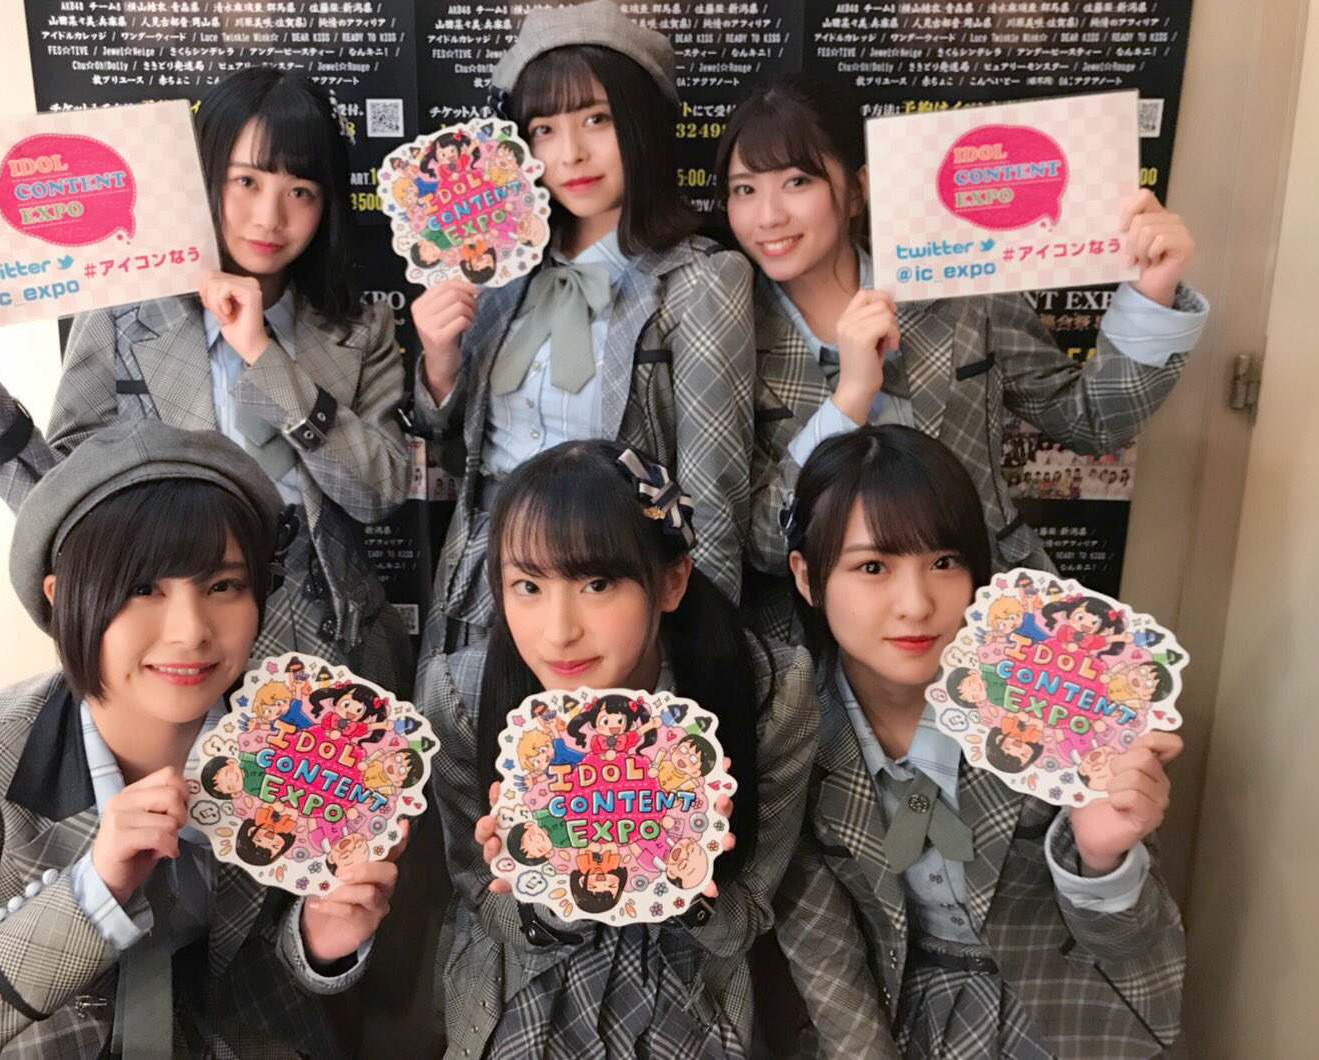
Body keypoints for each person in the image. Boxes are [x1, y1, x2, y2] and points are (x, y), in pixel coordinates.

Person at [0, 419, 402, 1057]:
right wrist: (91, 893)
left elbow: (267, 972)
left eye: (223, 586)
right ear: (62, 599)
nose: (191, 631)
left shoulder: (296, 741)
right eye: (142, 589)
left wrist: (318, 941)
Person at [0, 65, 412, 690]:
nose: (269, 217)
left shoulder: (359, 329)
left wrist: (264, 357)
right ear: (202, 178)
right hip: (172, 650)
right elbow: (61, 499)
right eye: (246, 181)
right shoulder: (125, 313)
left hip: (329, 654)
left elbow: (378, 494)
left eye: (300, 191)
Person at [718, 73, 1210, 642]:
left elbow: (1092, 421)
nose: (768, 216)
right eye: (744, 190)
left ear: (856, 190)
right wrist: (848, 399)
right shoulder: (728, 331)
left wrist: (1153, 290)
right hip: (822, 642)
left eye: (797, 181)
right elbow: (763, 542)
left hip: (991, 613)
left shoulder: (957, 287)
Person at [773, 425, 1185, 1059]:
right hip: (893, 1015)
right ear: (807, 576)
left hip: (1077, 1019)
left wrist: (1101, 862)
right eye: (873, 567)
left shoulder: (1055, 692)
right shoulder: (792, 727)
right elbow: (825, 957)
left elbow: (1127, 942)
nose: (916, 605)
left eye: (944, 562)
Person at [416, 440, 816, 1058]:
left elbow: (744, 919)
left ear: (672, 580)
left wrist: (688, 877)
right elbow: (482, 903)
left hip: (690, 998)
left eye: (597, 583)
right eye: (527, 586)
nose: (559, 631)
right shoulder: (463, 694)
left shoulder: (766, 689)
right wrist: (544, 883)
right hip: (523, 992)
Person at [411, 0, 755, 654]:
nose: (571, 153)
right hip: (484, 589)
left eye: (598, 118)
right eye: (544, 128)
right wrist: (439, 363)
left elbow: (712, 498)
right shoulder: (499, 271)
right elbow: (452, 447)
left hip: (615, 590)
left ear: (641, 124)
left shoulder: (702, 279)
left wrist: (696, 657)